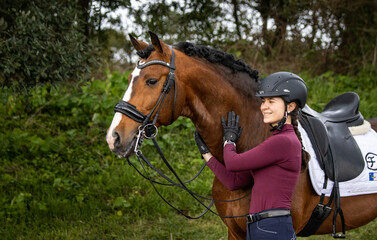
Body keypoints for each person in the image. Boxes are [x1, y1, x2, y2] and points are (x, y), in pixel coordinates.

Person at [195, 72, 310, 240]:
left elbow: (233, 163)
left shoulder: (283, 142)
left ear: (290, 107)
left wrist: (229, 141)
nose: (264, 107)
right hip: (260, 226)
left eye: (271, 101)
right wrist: (207, 154)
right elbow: (234, 182)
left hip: (271, 227)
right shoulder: (277, 142)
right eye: (263, 101)